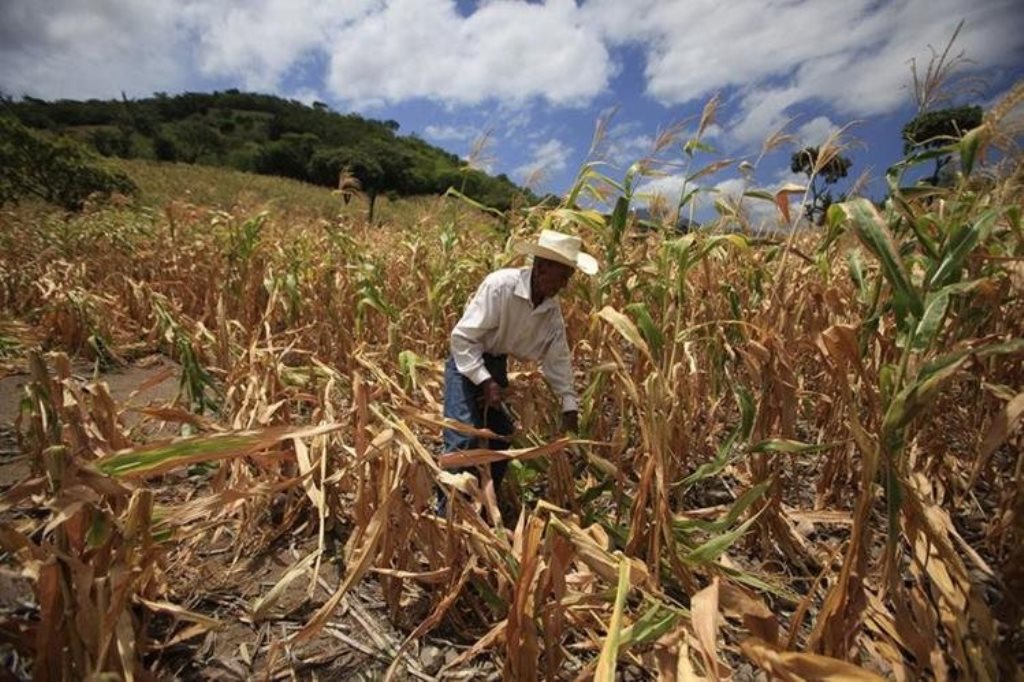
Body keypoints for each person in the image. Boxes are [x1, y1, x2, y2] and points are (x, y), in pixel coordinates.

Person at [439, 229, 598, 514]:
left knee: (502, 435)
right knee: (462, 438)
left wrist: (569, 405)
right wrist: (484, 380)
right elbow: (462, 339)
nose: (563, 286)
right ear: (541, 267)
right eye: (561, 277)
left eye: (568, 279)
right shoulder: (500, 285)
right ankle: (446, 518)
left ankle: (486, 508)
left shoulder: (550, 311)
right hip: (465, 361)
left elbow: (557, 358)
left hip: (496, 362)